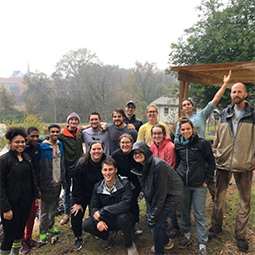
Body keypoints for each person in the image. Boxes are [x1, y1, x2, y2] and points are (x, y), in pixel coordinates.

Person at [208, 82, 255, 253]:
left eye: (239, 91)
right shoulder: (224, 113)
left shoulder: (253, 114)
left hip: (244, 164)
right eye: (233, 92)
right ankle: (215, 227)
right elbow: (217, 137)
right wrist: (216, 154)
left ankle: (240, 235)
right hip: (223, 162)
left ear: (246, 94)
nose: (236, 94)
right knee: (218, 199)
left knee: (244, 201)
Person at [132, 141, 184, 255]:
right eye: (134, 153)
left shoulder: (158, 165)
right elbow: (148, 189)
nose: (137, 155)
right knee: (152, 221)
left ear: (146, 152)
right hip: (160, 197)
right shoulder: (141, 166)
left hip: (172, 197)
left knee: (154, 222)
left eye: (140, 152)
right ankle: (166, 242)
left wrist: (154, 213)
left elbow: (161, 192)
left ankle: (159, 252)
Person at [175, 117, 215, 255]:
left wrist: (207, 180)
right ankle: (186, 234)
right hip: (184, 185)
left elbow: (211, 162)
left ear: (192, 129)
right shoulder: (178, 144)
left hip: (199, 185)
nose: (185, 131)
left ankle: (202, 243)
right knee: (185, 211)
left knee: (199, 213)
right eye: (183, 129)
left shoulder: (202, 144)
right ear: (179, 131)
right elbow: (177, 161)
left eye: (188, 129)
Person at [82, 158, 139, 255]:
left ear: (116, 170)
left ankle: (129, 244)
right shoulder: (97, 186)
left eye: (110, 169)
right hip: (107, 218)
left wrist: (103, 211)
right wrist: (98, 221)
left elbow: (126, 204)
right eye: (105, 170)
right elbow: (93, 206)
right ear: (101, 171)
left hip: (124, 217)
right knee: (86, 224)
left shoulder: (124, 183)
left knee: (123, 217)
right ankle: (107, 237)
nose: (107, 173)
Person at [0, 127, 40, 255]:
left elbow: (32, 178)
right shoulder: (4, 161)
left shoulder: (26, 157)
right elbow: (0, 187)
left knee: (19, 232)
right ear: (10, 143)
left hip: (25, 202)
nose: (20, 145)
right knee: (9, 236)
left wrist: (36, 195)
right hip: (11, 205)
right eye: (17, 142)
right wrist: (5, 208)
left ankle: (15, 253)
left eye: (22, 142)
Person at [71, 141, 106, 251]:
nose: (96, 151)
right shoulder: (82, 164)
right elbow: (76, 184)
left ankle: (99, 231)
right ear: (89, 151)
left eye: (99, 149)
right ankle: (78, 238)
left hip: (99, 194)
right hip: (83, 193)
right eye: (94, 149)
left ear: (103, 150)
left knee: (99, 215)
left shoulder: (106, 162)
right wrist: (77, 202)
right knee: (76, 214)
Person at [176, 70, 232, 139]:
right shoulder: (180, 122)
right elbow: (177, 139)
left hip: (199, 147)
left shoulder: (201, 116)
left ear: (192, 106)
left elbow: (215, 100)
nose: (187, 106)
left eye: (188, 104)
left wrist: (225, 84)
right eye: (184, 105)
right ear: (182, 109)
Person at [150, 124, 179, 238]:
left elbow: (170, 166)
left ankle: (176, 227)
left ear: (164, 134)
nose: (156, 135)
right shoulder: (152, 146)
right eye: (154, 133)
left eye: (159, 133)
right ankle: (164, 223)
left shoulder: (170, 147)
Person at [38, 124, 65, 244]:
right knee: (44, 209)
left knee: (54, 207)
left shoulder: (60, 145)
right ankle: (42, 232)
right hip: (46, 183)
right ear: (48, 133)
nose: (55, 134)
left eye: (57, 132)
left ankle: (51, 227)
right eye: (52, 132)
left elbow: (62, 162)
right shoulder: (42, 147)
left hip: (58, 182)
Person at [111, 134, 142, 235]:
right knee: (122, 202)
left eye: (127, 142)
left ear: (132, 143)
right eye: (123, 142)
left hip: (135, 182)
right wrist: (125, 183)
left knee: (133, 201)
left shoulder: (136, 154)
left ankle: (135, 222)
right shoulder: (115, 155)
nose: (125, 145)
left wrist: (134, 183)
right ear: (119, 144)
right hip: (121, 182)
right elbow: (114, 171)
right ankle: (123, 223)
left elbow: (140, 169)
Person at [59, 112, 84, 226]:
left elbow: (91, 128)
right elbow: (51, 137)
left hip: (79, 166)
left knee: (78, 190)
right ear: (68, 121)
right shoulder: (62, 135)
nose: (73, 122)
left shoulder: (80, 133)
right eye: (71, 120)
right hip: (67, 167)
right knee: (66, 191)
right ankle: (67, 213)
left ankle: (76, 213)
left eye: (76, 120)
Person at [20, 127, 42, 254]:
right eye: (32, 136)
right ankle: (21, 240)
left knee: (32, 214)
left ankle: (28, 238)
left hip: (36, 186)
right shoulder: (23, 149)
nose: (34, 139)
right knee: (22, 214)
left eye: (36, 136)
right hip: (23, 188)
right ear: (26, 137)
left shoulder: (37, 147)